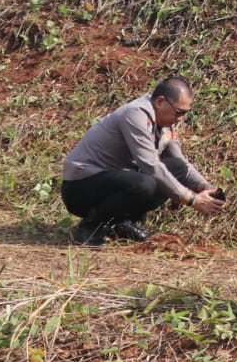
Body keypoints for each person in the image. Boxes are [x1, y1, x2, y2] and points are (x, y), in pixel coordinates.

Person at [60, 77, 226, 246]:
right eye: (179, 112)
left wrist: (205, 188)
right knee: (145, 182)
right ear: (161, 101)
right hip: (80, 188)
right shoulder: (136, 113)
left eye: (185, 114)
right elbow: (151, 166)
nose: (181, 119)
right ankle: (89, 227)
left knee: (177, 168)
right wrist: (192, 200)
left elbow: (180, 162)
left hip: (113, 183)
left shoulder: (166, 125)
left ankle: (122, 224)